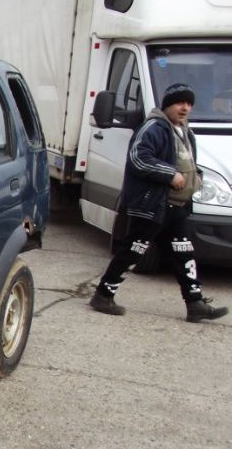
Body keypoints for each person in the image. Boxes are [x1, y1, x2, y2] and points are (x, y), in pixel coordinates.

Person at [89, 83, 228, 322]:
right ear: (167, 105)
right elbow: (138, 158)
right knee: (134, 250)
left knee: (184, 253)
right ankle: (103, 295)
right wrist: (170, 174)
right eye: (179, 103)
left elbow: (188, 162)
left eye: (188, 103)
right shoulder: (154, 127)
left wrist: (197, 179)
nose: (185, 108)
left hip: (176, 207)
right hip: (152, 204)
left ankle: (195, 304)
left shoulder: (184, 130)